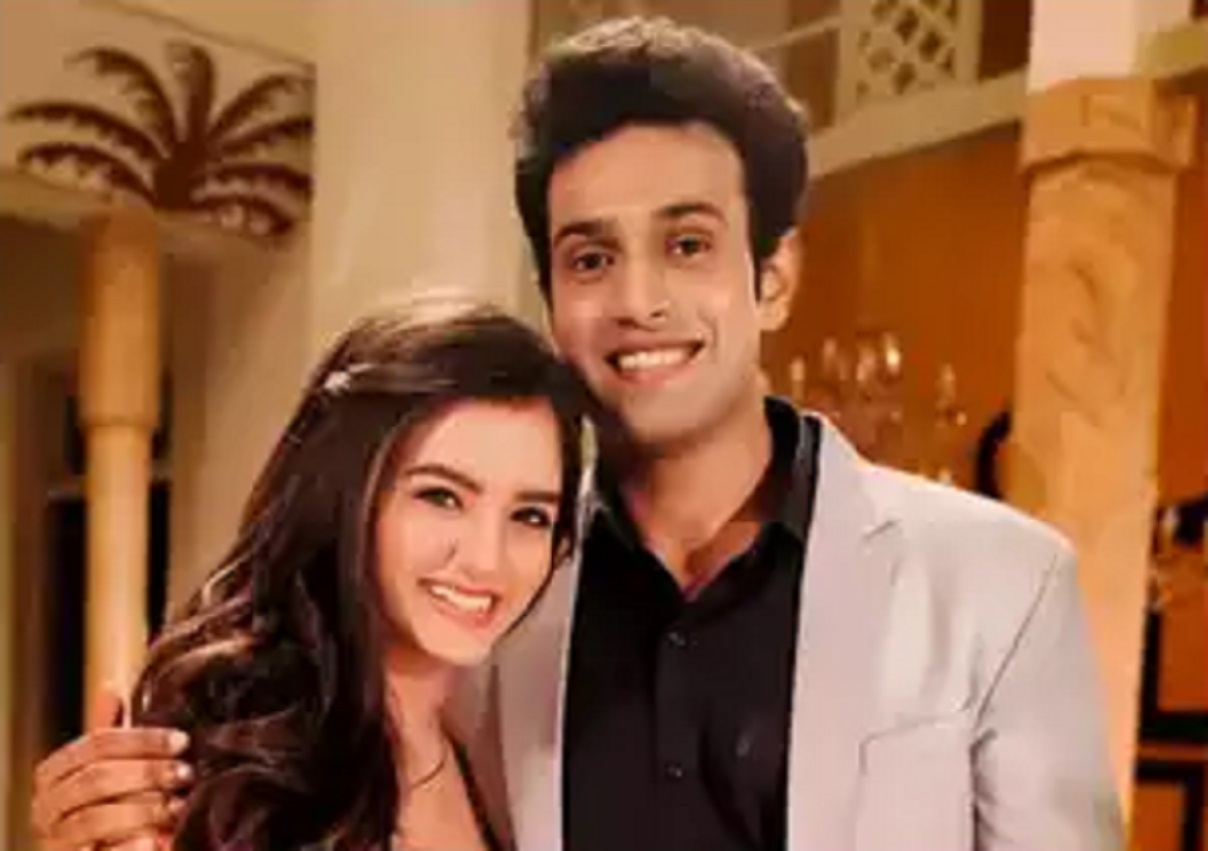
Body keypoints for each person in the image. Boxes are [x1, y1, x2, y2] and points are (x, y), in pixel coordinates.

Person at [33, 16, 1123, 851]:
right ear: (552, 290)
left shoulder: (998, 584)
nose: (638, 300)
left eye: (687, 244)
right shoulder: (487, 618)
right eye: (592, 257)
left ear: (773, 276)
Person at [31, 294, 586, 851]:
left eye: (530, 516)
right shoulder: (231, 750)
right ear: (346, 492)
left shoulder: (492, 753)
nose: (487, 559)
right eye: (441, 496)